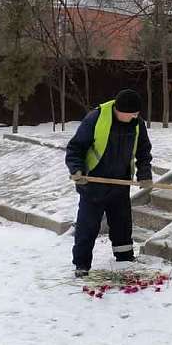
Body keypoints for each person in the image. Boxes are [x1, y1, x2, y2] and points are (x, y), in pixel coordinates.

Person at [65, 89, 153, 276]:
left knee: (122, 225)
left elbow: (143, 151)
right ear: (119, 110)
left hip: (120, 183)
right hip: (93, 183)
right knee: (87, 226)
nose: (135, 117)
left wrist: (145, 175)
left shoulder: (137, 124)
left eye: (137, 114)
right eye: (132, 114)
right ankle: (81, 264)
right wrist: (76, 170)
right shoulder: (95, 119)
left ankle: (125, 259)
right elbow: (75, 148)